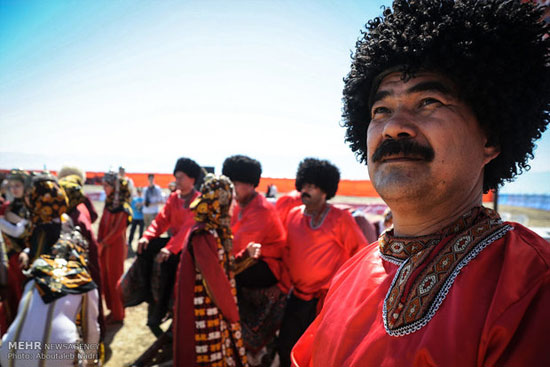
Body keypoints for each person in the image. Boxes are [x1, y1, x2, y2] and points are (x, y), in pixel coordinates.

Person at [291, 1, 550, 366]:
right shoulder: (352, 270)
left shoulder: (531, 282)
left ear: (489, 138)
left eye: (429, 101)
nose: (394, 126)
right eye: (380, 110)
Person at [278, 158, 367, 367]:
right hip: (297, 297)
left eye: (313, 186)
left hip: (326, 304)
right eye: (304, 184)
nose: (306, 189)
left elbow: (361, 253)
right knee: (285, 348)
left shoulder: (341, 218)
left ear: (325, 190)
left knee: (319, 356)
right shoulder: (292, 215)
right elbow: (287, 251)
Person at [0, 216, 100, 367]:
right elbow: (92, 332)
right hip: (55, 356)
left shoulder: (35, 276)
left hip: (9, 354)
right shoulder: (84, 282)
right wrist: (91, 362)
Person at [173, 174, 248, 366]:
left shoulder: (215, 231)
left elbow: (224, 268)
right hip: (204, 308)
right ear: (220, 202)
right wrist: (232, 313)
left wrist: (247, 256)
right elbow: (214, 278)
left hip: (214, 306)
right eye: (230, 200)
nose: (233, 206)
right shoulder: (204, 234)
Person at [222, 155, 287, 365]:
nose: (230, 189)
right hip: (249, 260)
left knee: (224, 280)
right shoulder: (240, 204)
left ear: (250, 184)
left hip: (266, 265)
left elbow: (240, 246)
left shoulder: (261, 210)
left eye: (234, 184)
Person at [134, 157, 201, 336]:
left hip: (188, 246)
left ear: (192, 179)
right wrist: (146, 236)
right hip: (174, 242)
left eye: (181, 177)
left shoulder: (198, 201)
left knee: (168, 265)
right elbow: (161, 220)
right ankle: (146, 293)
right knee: (144, 249)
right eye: (176, 177)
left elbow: (188, 228)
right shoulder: (174, 198)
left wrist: (170, 248)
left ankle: (161, 309)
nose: (176, 181)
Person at [58, 173, 106, 339]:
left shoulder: (72, 218)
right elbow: (93, 216)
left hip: (84, 264)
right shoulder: (80, 207)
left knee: (86, 305)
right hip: (90, 259)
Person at [98, 171, 132, 324]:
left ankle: (119, 314)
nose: (104, 188)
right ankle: (112, 310)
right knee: (105, 278)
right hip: (104, 247)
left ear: (115, 187)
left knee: (114, 279)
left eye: (107, 185)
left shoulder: (123, 208)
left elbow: (117, 230)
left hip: (114, 248)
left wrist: (103, 243)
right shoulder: (109, 203)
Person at [0, 169, 30, 332]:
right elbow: (18, 232)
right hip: (15, 258)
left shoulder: (30, 205)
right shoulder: (8, 208)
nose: (14, 189)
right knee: (17, 295)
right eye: (11, 186)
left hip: (31, 255)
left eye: (17, 185)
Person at [128, 186, 145, 257]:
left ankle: (139, 246)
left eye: (140, 191)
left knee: (141, 233)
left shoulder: (144, 200)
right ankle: (129, 244)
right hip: (135, 217)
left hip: (141, 218)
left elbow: (146, 208)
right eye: (138, 191)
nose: (139, 193)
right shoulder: (134, 200)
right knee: (132, 231)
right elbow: (131, 208)